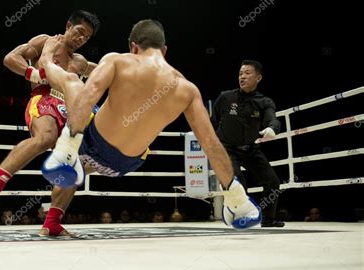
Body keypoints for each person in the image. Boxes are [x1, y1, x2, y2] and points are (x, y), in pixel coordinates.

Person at [39, 19, 262, 232]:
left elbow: (87, 97)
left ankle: (67, 152)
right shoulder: (187, 89)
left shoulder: (117, 60)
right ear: (164, 50)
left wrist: (48, 55)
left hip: (92, 144)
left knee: (74, 84)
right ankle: (238, 200)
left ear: (134, 47)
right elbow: (211, 144)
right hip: (127, 164)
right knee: (211, 145)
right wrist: (234, 195)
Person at [0, 10, 100, 236]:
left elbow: (105, 70)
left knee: (73, 165)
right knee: (45, 137)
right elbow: (11, 58)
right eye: (80, 32)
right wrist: (33, 74)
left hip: (70, 110)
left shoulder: (80, 62)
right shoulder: (46, 42)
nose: (82, 39)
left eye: (87, 37)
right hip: (44, 99)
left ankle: (52, 223)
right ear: (68, 25)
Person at [210, 60, 284, 228]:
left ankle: (267, 219)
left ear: (258, 77)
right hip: (227, 149)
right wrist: (213, 147)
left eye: (247, 73)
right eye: (240, 73)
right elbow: (212, 122)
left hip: (251, 149)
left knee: (272, 182)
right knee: (238, 184)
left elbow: (273, 119)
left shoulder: (265, 102)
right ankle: (242, 217)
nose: (242, 77)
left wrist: (272, 129)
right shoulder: (225, 97)